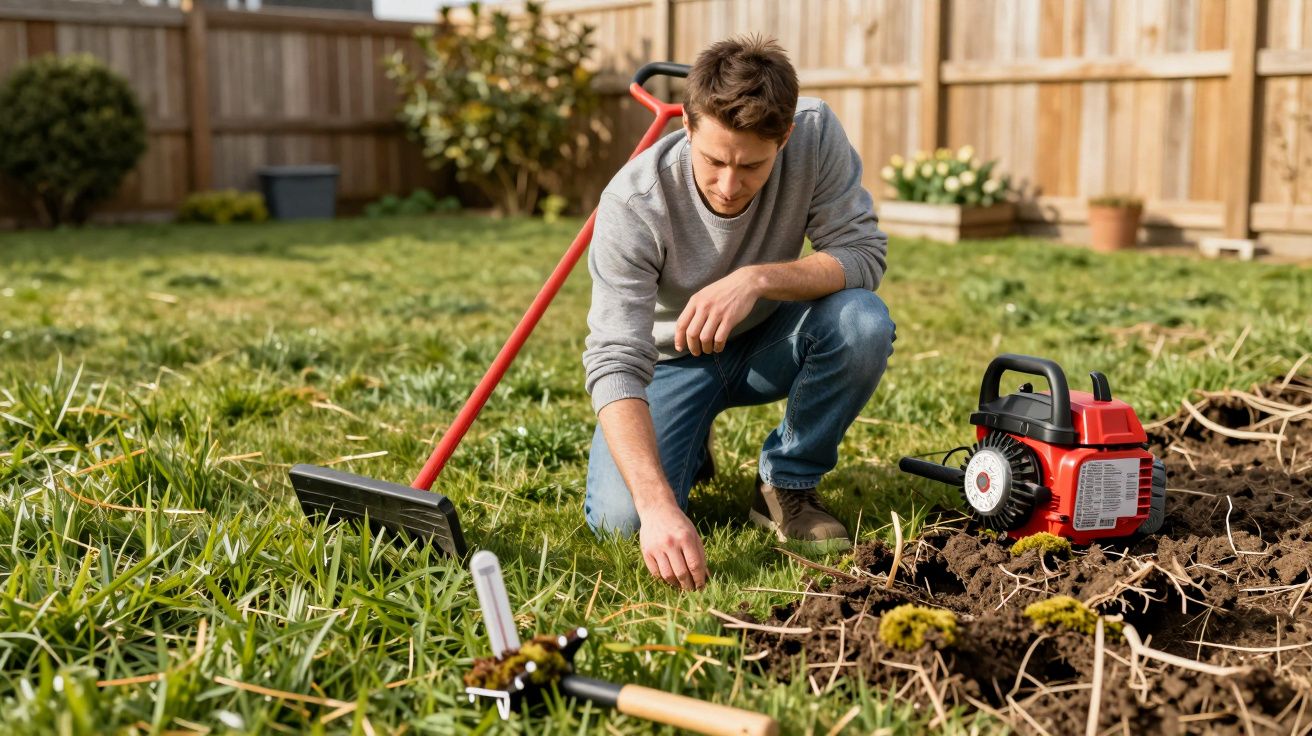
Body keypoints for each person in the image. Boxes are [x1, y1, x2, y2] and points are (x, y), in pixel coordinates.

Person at [581, 35, 894, 591]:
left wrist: (757, 278)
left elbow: (862, 254)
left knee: (861, 321)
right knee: (621, 523)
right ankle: (684, 435)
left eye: (752, 165)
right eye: (714, 160)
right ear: (688, 124)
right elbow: (614, 362)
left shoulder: (815, 133)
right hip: (669, 360)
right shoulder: (634, 203)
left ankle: (787, 483)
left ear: (786, 137)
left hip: (768, 339)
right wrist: (655, 507)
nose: (730, 184)